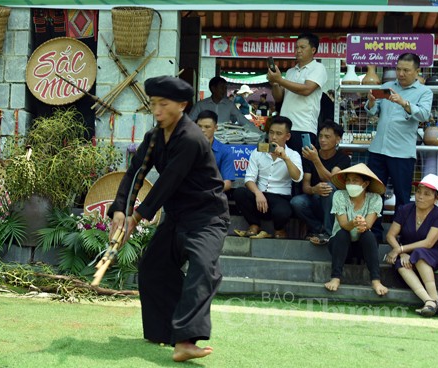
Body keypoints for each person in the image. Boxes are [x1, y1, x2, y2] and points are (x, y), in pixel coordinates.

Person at [108, 75, 228, 362]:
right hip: (177, 216)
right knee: (153, 267)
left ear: (182, 106)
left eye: (164, 104)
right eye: (153, 104)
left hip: (206, 217)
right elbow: (135, 173)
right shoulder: (154, 137)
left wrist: (136, 218)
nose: (157, 110)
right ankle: (164, 331)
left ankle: (186, 340)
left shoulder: (191, 138)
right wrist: (119, 210)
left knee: (202, 267)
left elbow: (167, 182)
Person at [366, 52, 433, 218]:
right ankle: (373, 235)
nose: (401, 74)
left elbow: (424, 115)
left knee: (402, 197)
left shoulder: (425, 92)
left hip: (402, 153)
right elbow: (373, 112)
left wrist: (404, 103)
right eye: (398, 69)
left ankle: (401, 236)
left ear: (417, 71)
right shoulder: (387, 86)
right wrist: (371, 102)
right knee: (373, 195)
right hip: (378, 150)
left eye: (406, 70)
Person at [385, 174, 438, 317]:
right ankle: (430, 302)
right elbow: (390, 235)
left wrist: (400, 248)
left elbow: (428, 243)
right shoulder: (405, 209)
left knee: (420, 253)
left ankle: (434, 299)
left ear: (436, 198)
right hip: (409, 253)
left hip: (434, 253)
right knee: (400, 263)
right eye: (418, 191)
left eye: (427, 194)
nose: (420, 196)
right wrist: (402, 253)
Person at [233, 116, 303, 239]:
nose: (274, 137)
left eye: (278, 134)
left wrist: (285, 158)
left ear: (287, 137)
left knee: (283, 211)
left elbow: (297, 178)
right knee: (239, 193)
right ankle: (254, 225)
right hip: (260, 196)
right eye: (271, 132)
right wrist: (258, 193)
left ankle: (279, 229)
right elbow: (249, 179)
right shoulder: (258, 152)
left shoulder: (293, 155)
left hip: (280, 197)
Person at [325, 164, 389, 296]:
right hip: (340, 246)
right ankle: (335, 277)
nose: (350, 183)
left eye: (355, 181)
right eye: (348, 180)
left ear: (365, 184)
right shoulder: (339, 195)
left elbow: (369, 224)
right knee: (343, 234)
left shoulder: (375, 198)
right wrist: (353, 223)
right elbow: (343, 224)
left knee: (368, 235)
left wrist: (362, 225)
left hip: (363, 248)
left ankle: (376, 280)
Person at [290, 120, 351, 245]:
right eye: (321, 136)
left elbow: (333, 180)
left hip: (334, 202)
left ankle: (329, 233)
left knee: (328, 187)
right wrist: (313, 189)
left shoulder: (343, 158)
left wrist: (316, 160)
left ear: (338, 139)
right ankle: (319, 229)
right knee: (296, 202)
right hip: (314, 197)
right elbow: (305, 185)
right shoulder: (310, 155)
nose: (322, 140)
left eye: (327, 137)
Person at [268, 32, 328, 153]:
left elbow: (307, 89)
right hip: (284, 128)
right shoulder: (290, 71)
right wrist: (275, 83)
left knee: (302, 167)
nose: (298, 50)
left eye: (302, 47)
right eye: (296, 47)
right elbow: (279, 97)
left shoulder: (318, 68)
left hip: (304, 127)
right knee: (281, 164)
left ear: (313, 50)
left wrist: (280, 80)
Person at [188, 76, 258, 130]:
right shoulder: (201, 105)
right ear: (213, 88)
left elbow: (242, 119)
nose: (224, 90)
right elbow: (189, 122)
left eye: (225, 88)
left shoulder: (229, 105)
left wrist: (256, 131)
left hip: (224, 140)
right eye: (221, 87)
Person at [195, 110, 234, 192]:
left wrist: (211, 192)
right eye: (199, 126)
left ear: (215, 128)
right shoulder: (188, 148)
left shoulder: (225, 151)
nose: (202, 130)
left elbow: (227, 183)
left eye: (207, 127)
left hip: (212, 195)